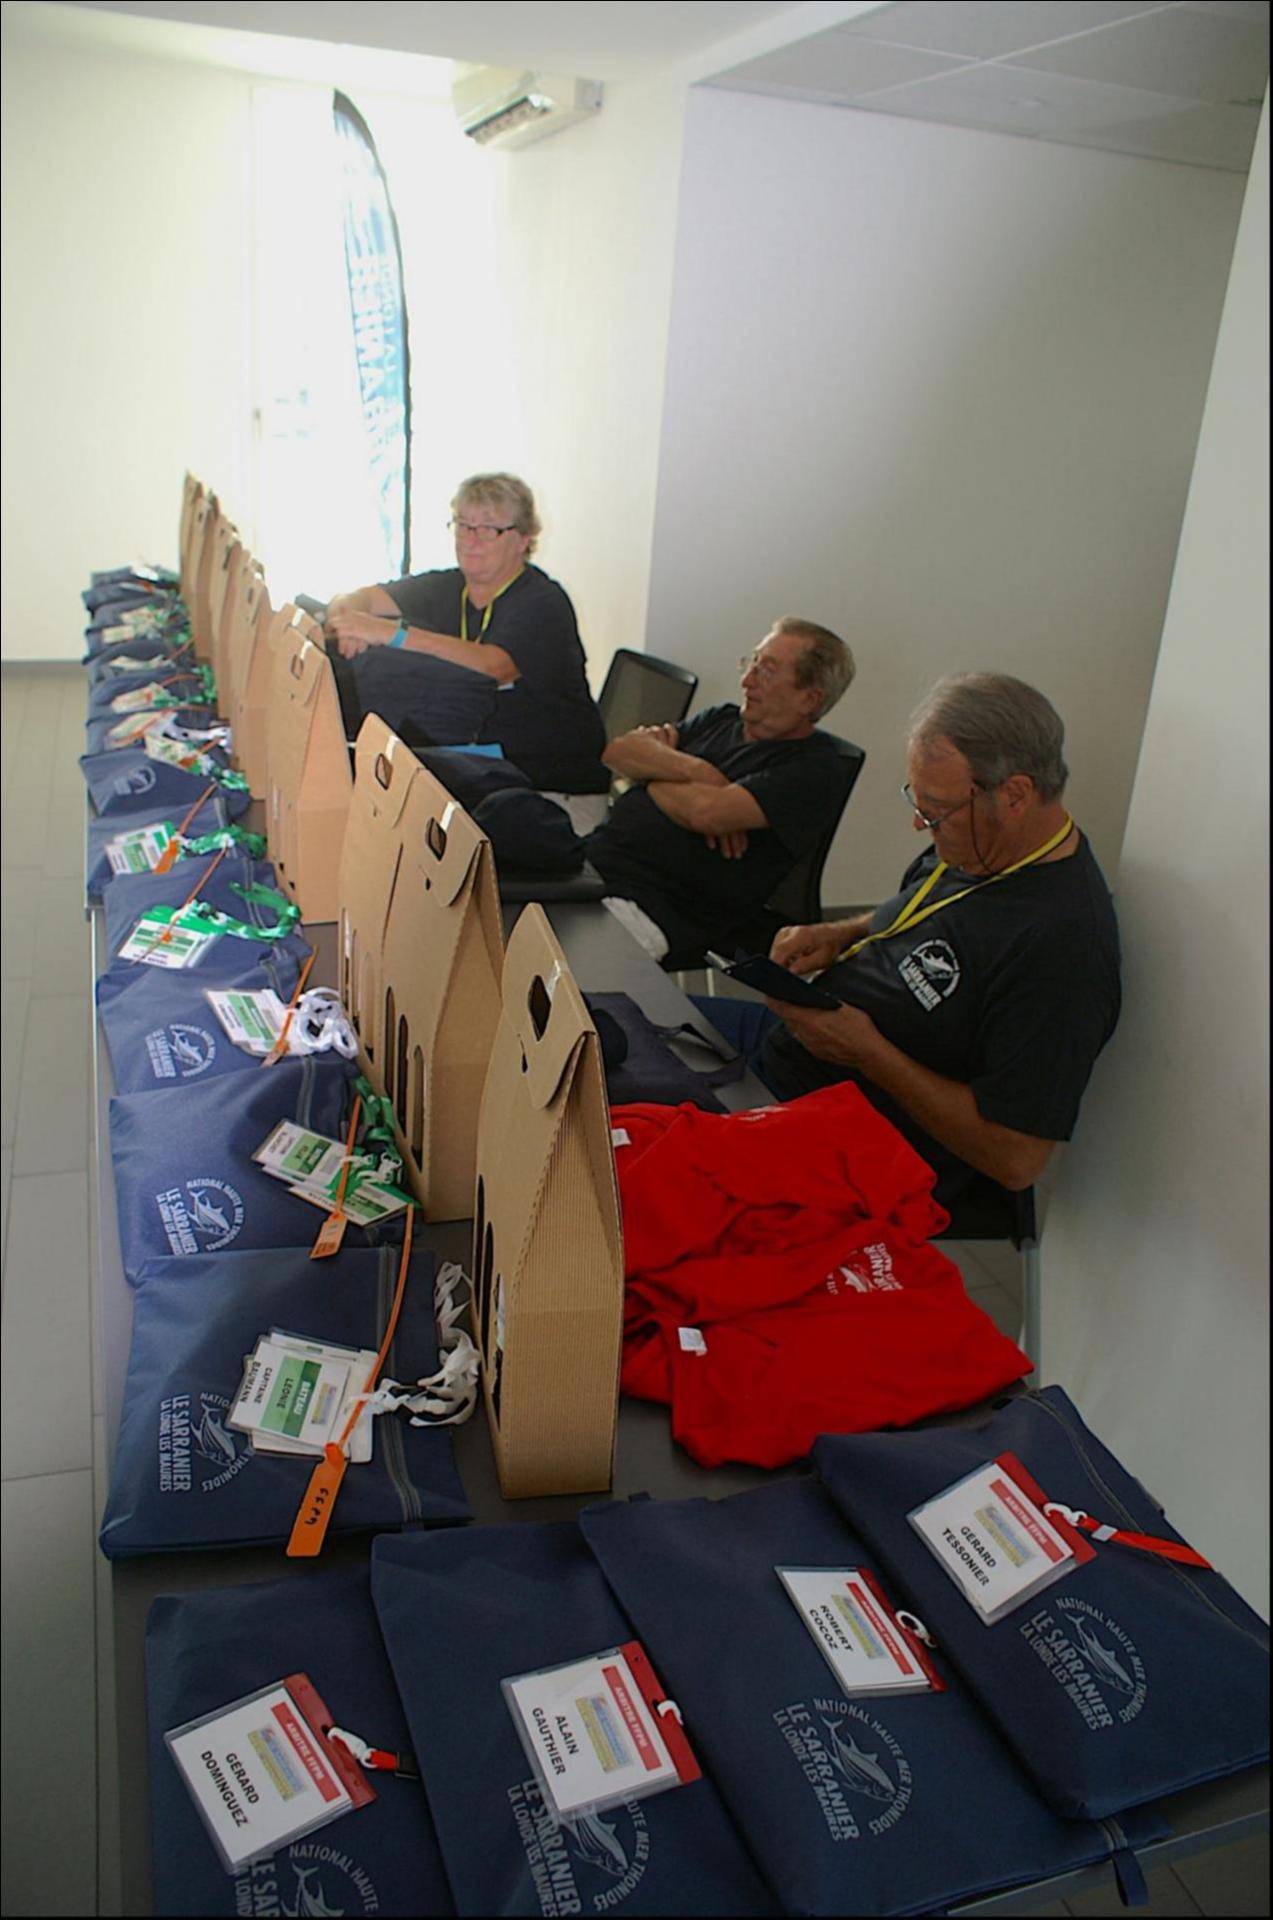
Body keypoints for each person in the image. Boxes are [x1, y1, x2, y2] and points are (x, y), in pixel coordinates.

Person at [696, 672, 1121, 1207]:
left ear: (1015, 794)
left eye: (936, 810)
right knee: (612, 1025)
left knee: (625, 1124)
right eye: (917, 802)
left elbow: (1017, 1161)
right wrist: (841, 931)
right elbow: (934, 913)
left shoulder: (1062, 948)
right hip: (798, 1051)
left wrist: (869, 1053)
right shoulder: (979, 844)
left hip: (848, 1131)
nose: (921, 824)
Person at [583, 617, 857, 960]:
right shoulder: (722, 719)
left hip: (653, 908)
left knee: (532, 957)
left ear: (809, 699)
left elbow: (706, 813)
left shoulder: (812, 769)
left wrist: (652, 772)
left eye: (767, 671)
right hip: (594, 863)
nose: (747, 681)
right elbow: (619, 751)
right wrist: (698, 771)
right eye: (752, 662)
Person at [325, 473, 608, 804]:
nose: (471, 540)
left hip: (550, 790)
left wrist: (392, 634)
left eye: (489, 529)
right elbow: (358, 597)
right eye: (463, 525)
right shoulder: (450, 585)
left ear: (523, 539)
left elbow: (493, 666)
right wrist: (350, 624)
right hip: (479, 768)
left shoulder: (543, 602)